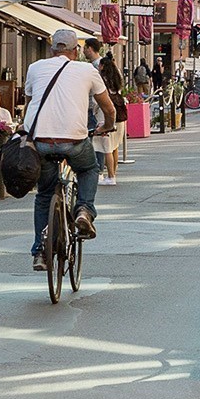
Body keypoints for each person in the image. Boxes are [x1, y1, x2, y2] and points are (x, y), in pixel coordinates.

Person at [21, 28, 116, 273]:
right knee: (88, 169)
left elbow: (31, 104)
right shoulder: (88, 70)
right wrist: (107, 126)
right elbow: (109, 108)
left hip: (40, 140)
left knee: (44, 195)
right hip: (73, 140)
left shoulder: (35, 67)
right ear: (76, 51)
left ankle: (40, 251)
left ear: (52, 49)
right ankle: (84, 210)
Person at [91, 48, 126, 184]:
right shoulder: (116, 79)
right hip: (119, 117)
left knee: (106, 148)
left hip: (105, 116)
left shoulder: (101, 81)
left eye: (100, 65)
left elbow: (97, 101)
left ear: (103, 66)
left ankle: (111, 176)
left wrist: (93, 110)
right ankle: (113, 173)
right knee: (114, 146)